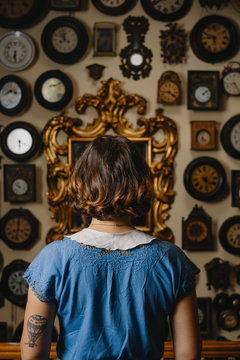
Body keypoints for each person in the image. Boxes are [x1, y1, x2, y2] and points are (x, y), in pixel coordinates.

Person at [20, 135, 201, 360]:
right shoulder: (171, 260)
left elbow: (33, 354)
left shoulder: (53, 258)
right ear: (141, 183)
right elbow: (188, 354)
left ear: (83, 183)